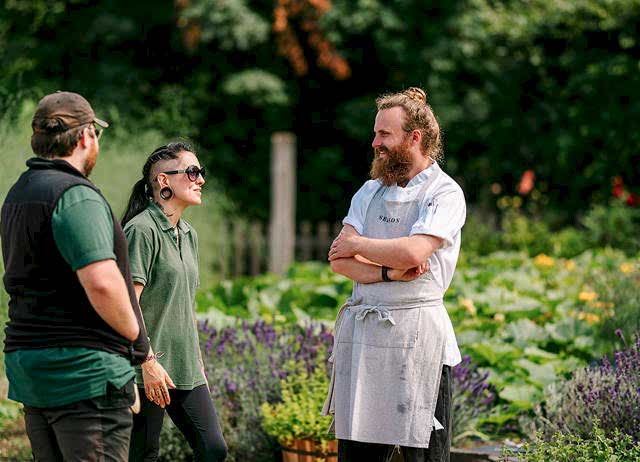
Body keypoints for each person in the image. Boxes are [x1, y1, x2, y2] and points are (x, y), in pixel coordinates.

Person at [1, 91, 150, 461]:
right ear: (85, 137)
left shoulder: (18, 194)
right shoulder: (76, 196)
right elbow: (101, 281)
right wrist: (136, 340)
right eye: (96, 135)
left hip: (34, 372)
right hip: (85, 377)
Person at [324, 87, 466, 462]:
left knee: (425, 457)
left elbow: (415, 251)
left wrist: (359, 245)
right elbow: (339, 260)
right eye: (376, 133)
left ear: (413, 137)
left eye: (384, 134)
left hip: (419, 340)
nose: (375, 143)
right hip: (366, 339)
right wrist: (390, 272)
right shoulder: (368, 192)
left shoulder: (444, 193)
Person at [121, 142, 227, 462]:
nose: (200, 180)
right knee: (143, 455)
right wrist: (147, 362)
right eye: (192, 172)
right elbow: (128, 303)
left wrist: (198, 360)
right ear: (164, 182)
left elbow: (185, 304)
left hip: (185, 368)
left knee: (213, 450)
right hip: (146, 369)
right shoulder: (141, 230)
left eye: (200, 172)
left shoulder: (189, 234)